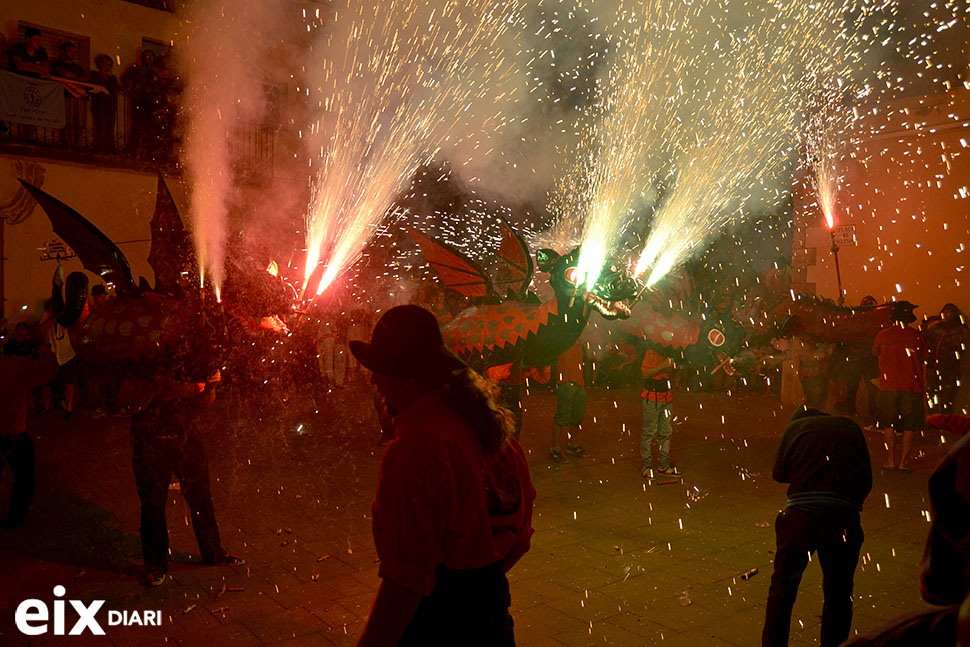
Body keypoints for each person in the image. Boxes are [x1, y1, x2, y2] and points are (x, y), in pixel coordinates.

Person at [350, 305, 535, 646]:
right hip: (494, 622)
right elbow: (520, 538)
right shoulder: (492, 433)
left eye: (380, 371)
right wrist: (476, 583)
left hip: (436, 629)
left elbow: (405, 582)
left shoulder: (418, 448)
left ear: (406, 379)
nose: (374, 380)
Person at [129, 333, 243, 586]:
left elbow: (204, 404)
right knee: (153, 504)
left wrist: (210, 385)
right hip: (151, 440)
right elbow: (152, 389)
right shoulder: (143, 350)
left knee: (201, 497)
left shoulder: (187, 351)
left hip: (186, 436)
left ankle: (213, 552)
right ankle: (156, 564)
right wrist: (189, 389)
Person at [762, 405, 872, 647]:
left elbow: (778, 473)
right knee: (839, 593)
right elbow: (866, 478)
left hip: (801, 517)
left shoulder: (795, 427)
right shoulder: (849, 427)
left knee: (781, 590)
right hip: (843, 518)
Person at [0, 345, 58, 528]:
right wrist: (46, 350)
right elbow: (48, 370)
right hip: (12, 434)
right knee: (25, 480)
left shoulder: (13, 366)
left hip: (10, 433)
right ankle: (15, 520)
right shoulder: (14, 367)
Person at [873, 301, 927, 471]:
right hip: (912, 387)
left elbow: (876, 353)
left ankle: (891, 460)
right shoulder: (917, 336)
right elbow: (925, 361)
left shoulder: (882, 335)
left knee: (888, 425)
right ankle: (903, 463)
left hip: (888, 387)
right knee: (909, 426)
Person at [640, 347, 680, 477]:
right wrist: (663, 365)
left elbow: (671, 376)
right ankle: (646, 466)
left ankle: (664, 465)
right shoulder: (650, 352)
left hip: (667, 398)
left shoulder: (670, 353)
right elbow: (645, 374)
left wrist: (673, 368)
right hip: (652, 400)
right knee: (649, 433)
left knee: (666, 433)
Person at [925, 303, 969, 415]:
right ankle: (934, 417)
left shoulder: (960, 330)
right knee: (933, 393)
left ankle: (945, 416)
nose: (947, 314)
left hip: (951, 368)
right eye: (946, 311)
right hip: (934, 367)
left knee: (948, 394)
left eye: (950, 312)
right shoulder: (935, 327)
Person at [550, 340, 588, 463]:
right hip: (565, 381)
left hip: (579, 381)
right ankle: (555, 448)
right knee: (562, 416)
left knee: (578, 416)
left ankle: (572, 444)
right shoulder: (564, 334)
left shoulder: (580, 336)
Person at [121, 49, 160, 159]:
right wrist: (130, 89)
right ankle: (132, 151)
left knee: (148, 128)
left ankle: (147, 153)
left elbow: (158, 88)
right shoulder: (136, 69)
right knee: (137, 127)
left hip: (150, 103)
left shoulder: (154, 74)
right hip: (139, 101)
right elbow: (125, 79)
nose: (149, 59)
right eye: (147, 56)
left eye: (151, 56)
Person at [89, 54, 121, 153]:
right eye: (106, 64)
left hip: (111, 106)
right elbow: (91, 87)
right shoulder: (95, 75)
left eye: (110, 65)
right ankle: (99, 148)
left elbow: (117, 89)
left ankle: (110, 148)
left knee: (110, 128)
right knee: (101, 127)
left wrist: (110, 79)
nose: (108, 67)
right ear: (101, 64)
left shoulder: (113, 78)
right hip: (99, 105)